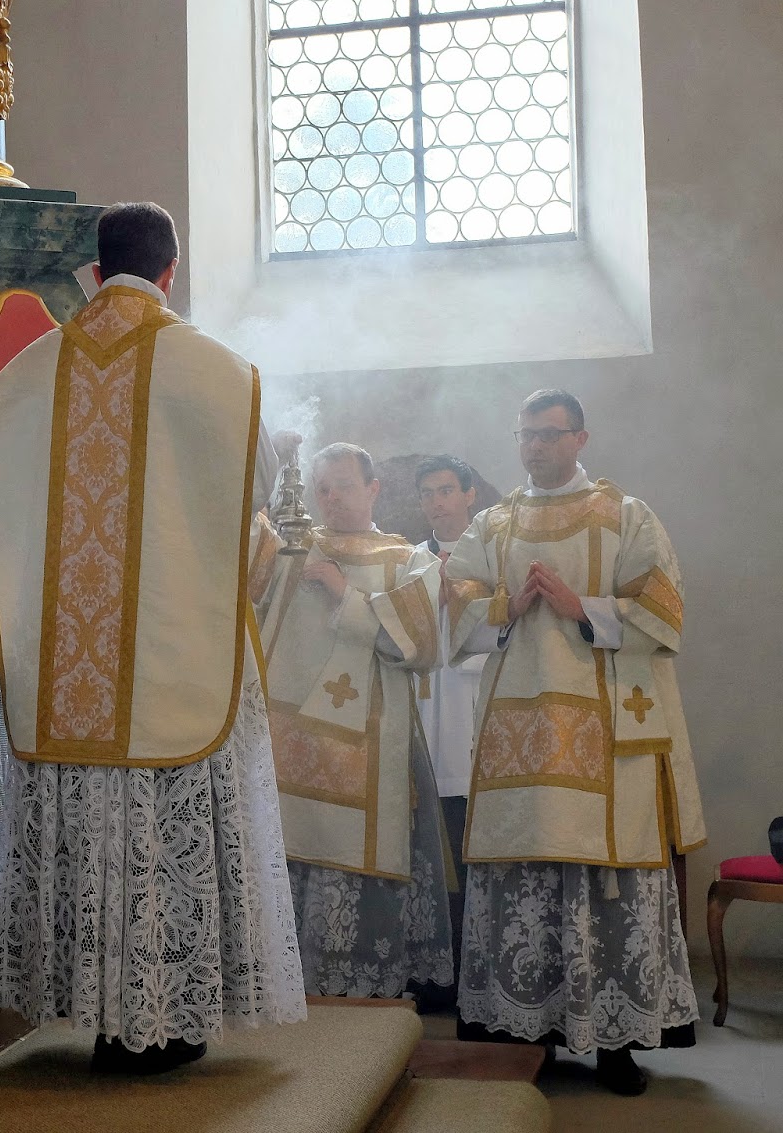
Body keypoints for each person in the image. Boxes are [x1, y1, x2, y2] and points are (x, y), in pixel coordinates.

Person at [0, 202, 305, 1074]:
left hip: (67, 668)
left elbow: (1, 480)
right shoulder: (217, 370)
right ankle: (173, 1013)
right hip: (176, 644)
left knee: (94, 835)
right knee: (164, 838)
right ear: (171, 271)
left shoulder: (25, 375)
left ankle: (99, 1011)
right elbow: (258, 484)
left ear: (96, 266)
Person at [445, 389, 706, 1095]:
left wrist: (580, 606)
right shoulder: (494, 524)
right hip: (517, 736)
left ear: (580, 438)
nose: (534, 446)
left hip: (606, 731)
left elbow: (665, 610)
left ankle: (613, 1042)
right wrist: (507, 604)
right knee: (524, 873)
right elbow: (453, 601)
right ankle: (523, 1036)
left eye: (549, 433)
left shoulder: (625, 515)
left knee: (602, 879)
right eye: (525, 433)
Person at [254, 443, 455, 1000]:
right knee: (286, 844)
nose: (332, 497)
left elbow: (418, 645)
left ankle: (357, 992)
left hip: (371, 742)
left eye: (344, 485)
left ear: (373, 488)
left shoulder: (406, 559)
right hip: (287, 739)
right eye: (322, 488)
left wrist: (343, 591)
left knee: (352, 850)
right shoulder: (292, 546)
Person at [412, 454, 485, 973]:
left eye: (445, 491)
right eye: (427, 493)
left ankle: (470, 964)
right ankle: (428, 968)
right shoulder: (410, 559)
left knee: (465, 845)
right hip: (420, 707)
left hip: (468, 710)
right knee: (423, 850)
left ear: (468, 495)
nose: (436, 503)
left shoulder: (490, 555)